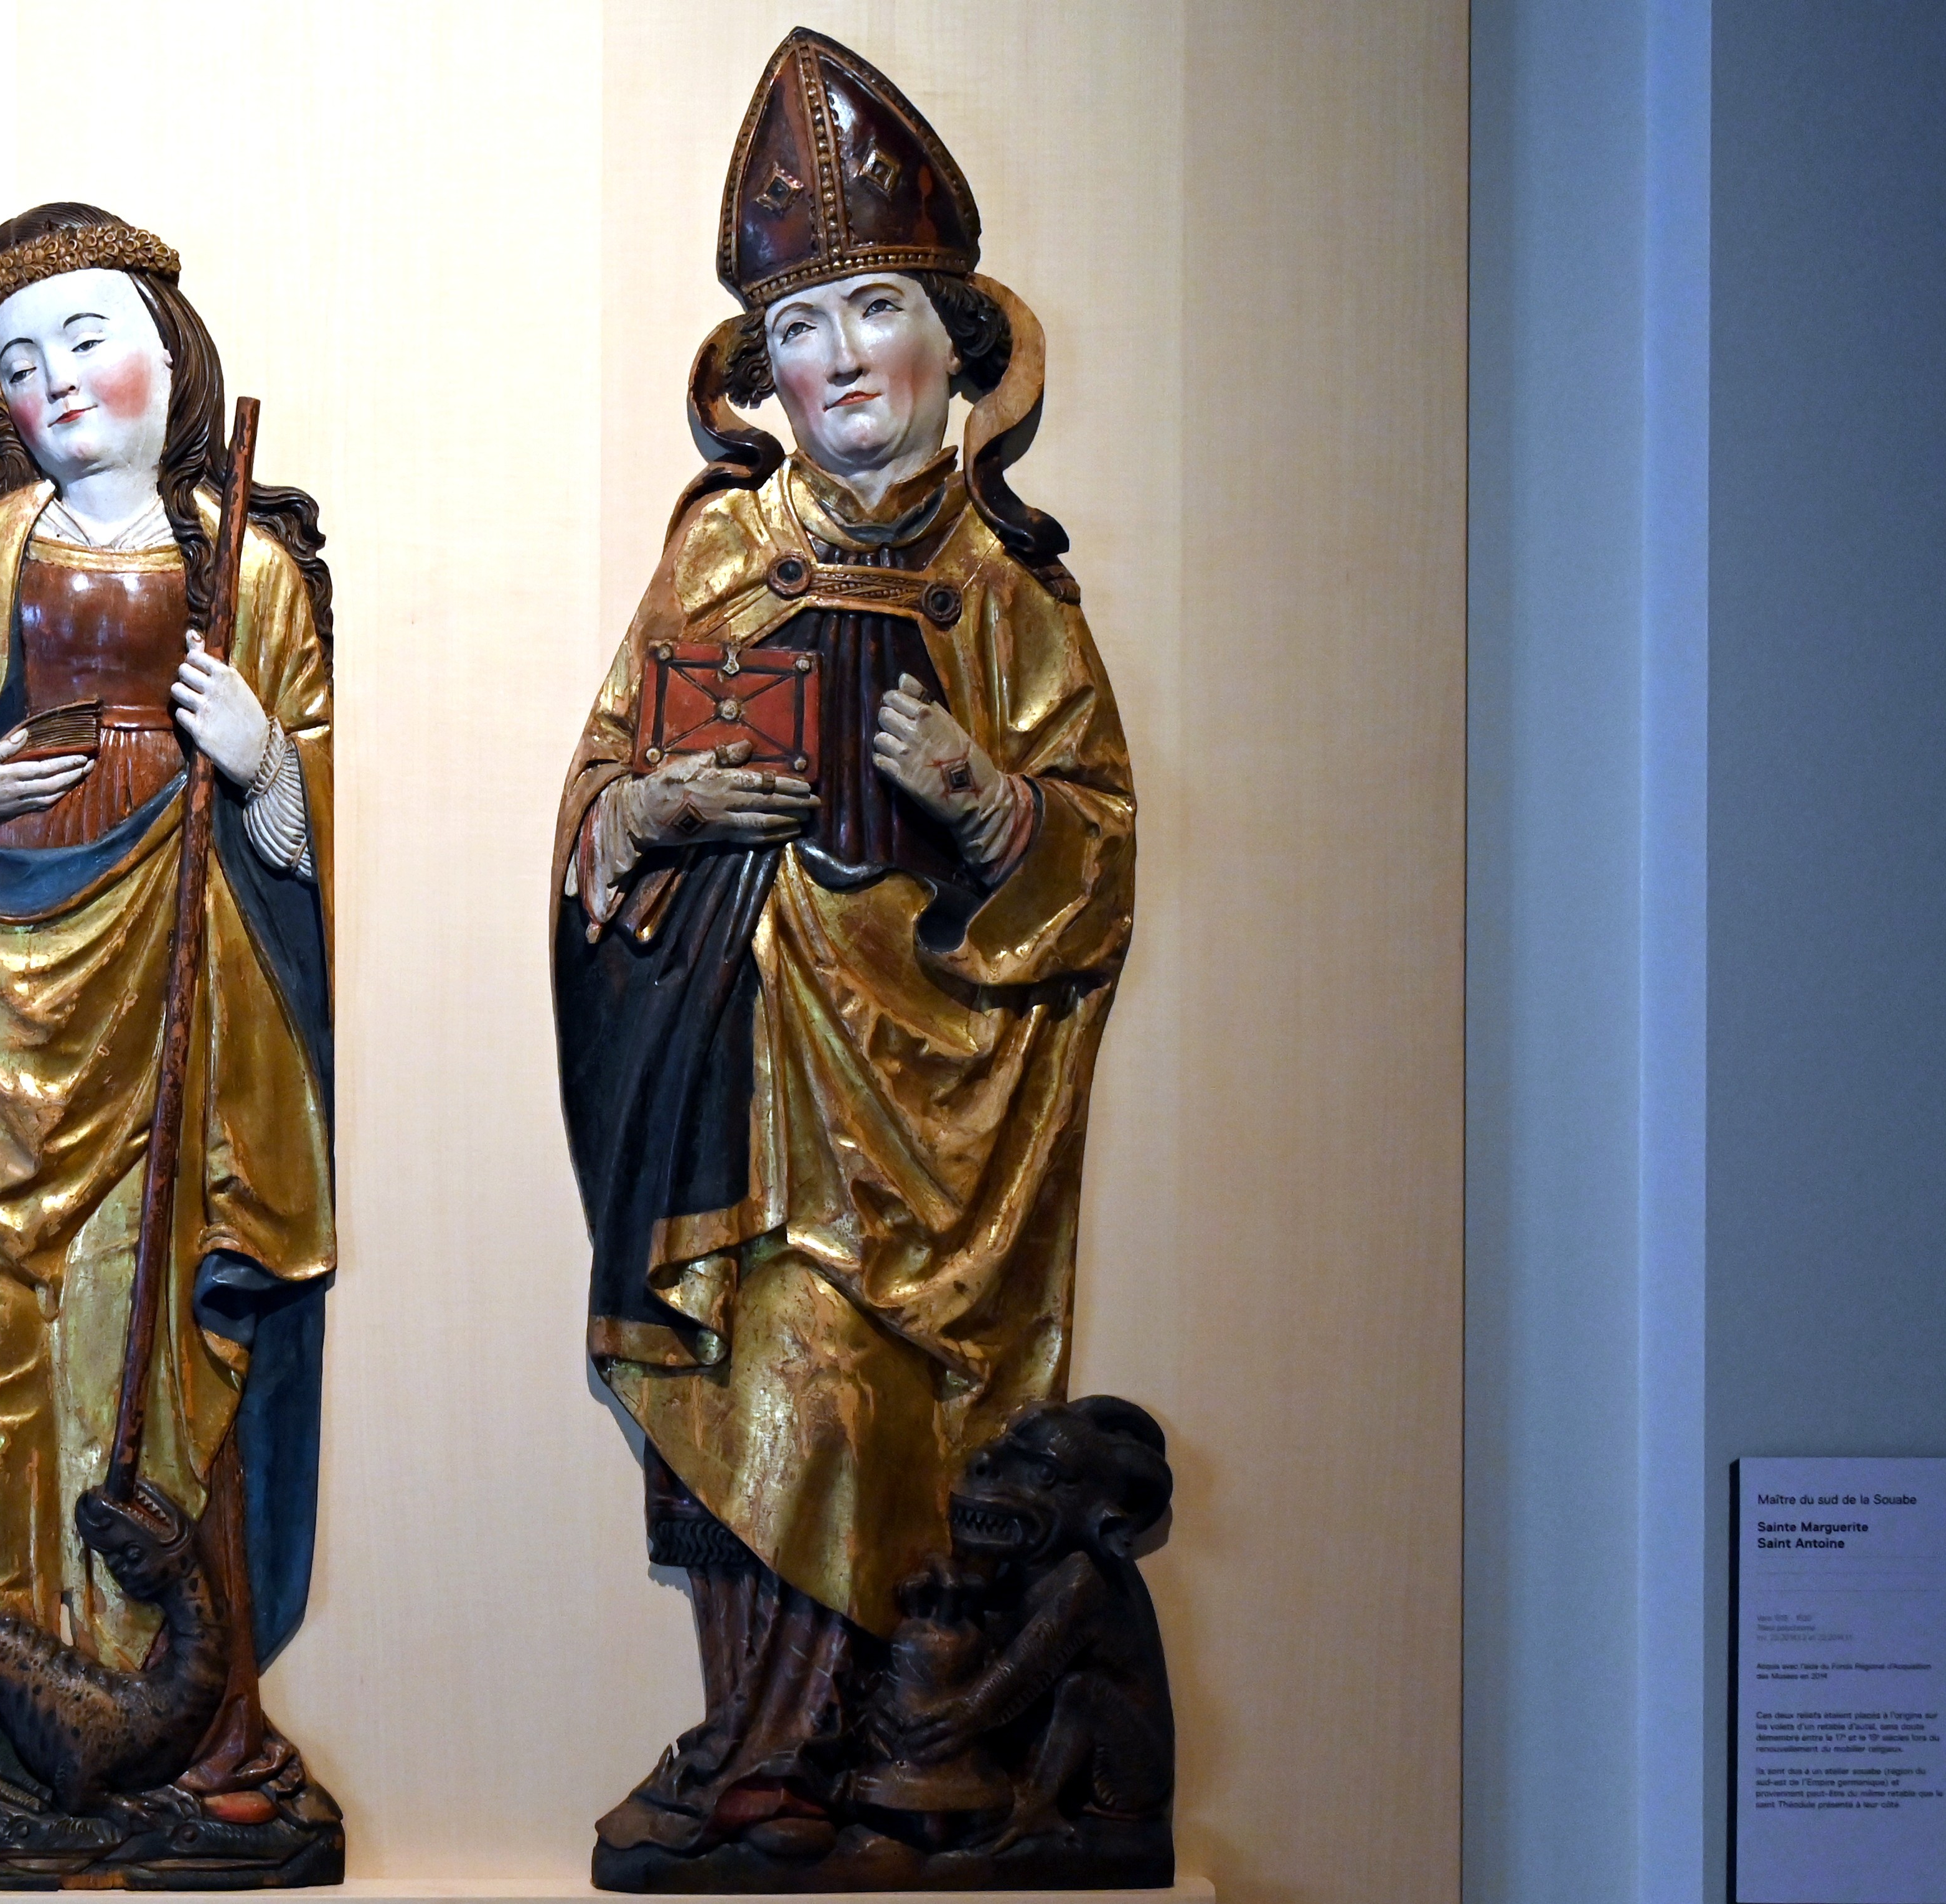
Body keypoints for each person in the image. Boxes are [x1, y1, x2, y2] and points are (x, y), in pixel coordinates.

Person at [551, 32, 1136, 1871]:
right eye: (800, 330)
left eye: (876, 310)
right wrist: (653, 808)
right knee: (764, 1366)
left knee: (877, 1392)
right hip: (733, 1080)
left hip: (933, 1102)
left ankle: (887, 1737)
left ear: (956, 343)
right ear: (765, 375)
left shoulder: (1010, 593)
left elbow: (1096, 850)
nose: (843, 359)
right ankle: (763, 1744)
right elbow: (594, 801)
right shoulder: (717, 557)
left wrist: (986, 800)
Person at [0, 204, 337, 1864]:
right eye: (21, 363)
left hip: (184, 1009)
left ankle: (195, 1719)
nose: (57, 381)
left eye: (87, 339)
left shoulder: (249, 571)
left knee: (169, 1337)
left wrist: (261, 757)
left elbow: (302, 851)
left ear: (169, 356)